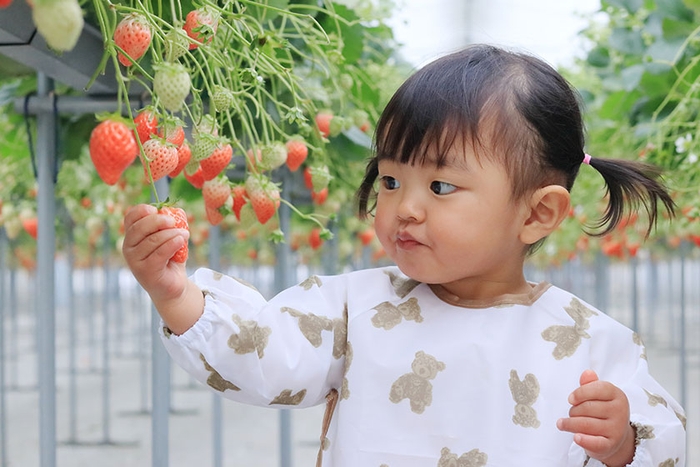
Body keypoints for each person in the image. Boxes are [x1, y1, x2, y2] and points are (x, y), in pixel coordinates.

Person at [122, 44, 686, 466]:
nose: (405, 208)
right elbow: (261, 354)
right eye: (391, 179)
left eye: (441, 188)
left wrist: (626, 440)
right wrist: (177, 295)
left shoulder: (586, 340)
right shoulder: (353, 307)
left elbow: (668, 441)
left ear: (537, 213)